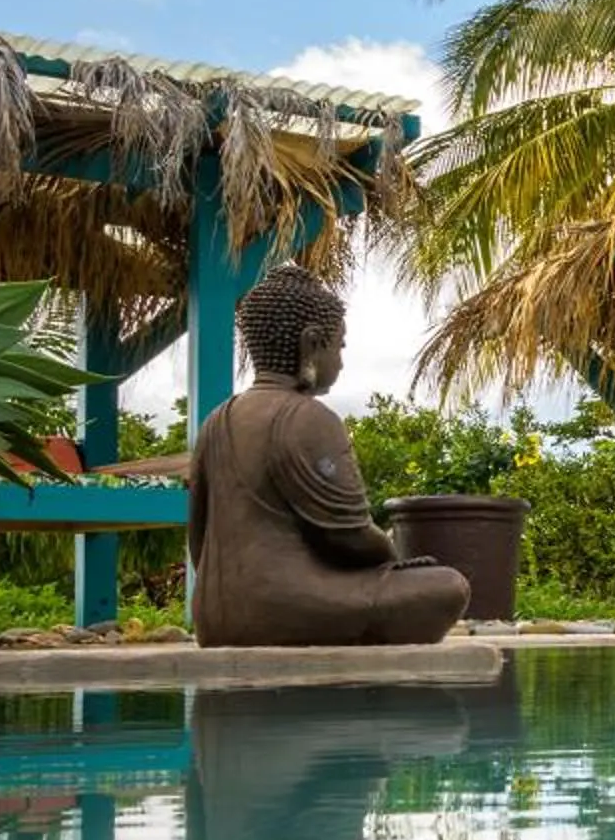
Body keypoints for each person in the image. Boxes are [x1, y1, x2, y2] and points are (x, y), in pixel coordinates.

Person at [186, 265, 470, 647]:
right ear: (311, 343)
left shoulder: (216, 420)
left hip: (215, 616)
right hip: (287, 609)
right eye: (339, 345)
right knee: (446, 586)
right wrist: (392, 554)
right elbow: (349, 537)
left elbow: (198, 538)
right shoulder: (307, 418)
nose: (341, 358)